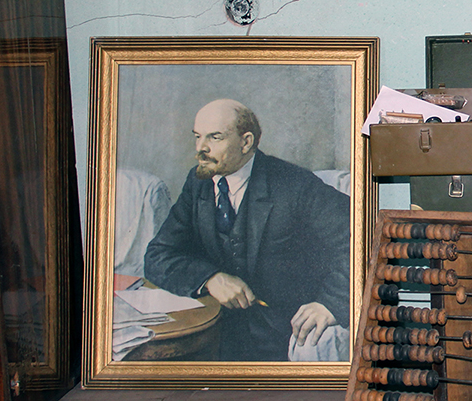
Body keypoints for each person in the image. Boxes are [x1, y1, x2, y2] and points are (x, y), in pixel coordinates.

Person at [144, 99, 351, 361]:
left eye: (214, 137)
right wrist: (210, 278)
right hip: (216, 334)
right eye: (197, 137)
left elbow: (362, 237)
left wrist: (330, 304)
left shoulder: (295, 185)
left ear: (246, 142)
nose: (200, 148)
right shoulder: (199, 184)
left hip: (283, 335)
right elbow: (157, 255)